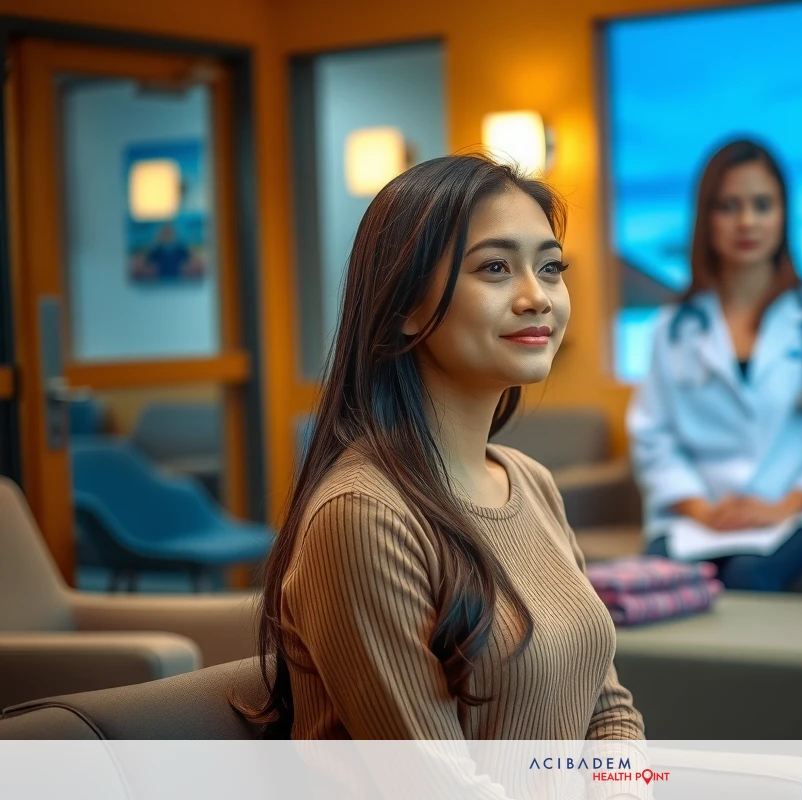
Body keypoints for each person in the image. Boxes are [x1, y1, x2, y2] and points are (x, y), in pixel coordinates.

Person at [248, 155, 644, 747]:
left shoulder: (529, 481)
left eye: (551, 267)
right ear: (405, 305)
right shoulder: (363, 516)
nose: (537, 297)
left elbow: (609, 712)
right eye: (495, 268)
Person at [627, 139, 802, 592]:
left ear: (783, 215)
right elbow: (653, 436)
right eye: (729, 206)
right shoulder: (674, 327)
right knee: (657, 584)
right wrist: (702, 508)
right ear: (706, 219)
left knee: (748, 575)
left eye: (762, 205)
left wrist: (782, 506)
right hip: (697, 517)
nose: (748, 221)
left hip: (793, 514)